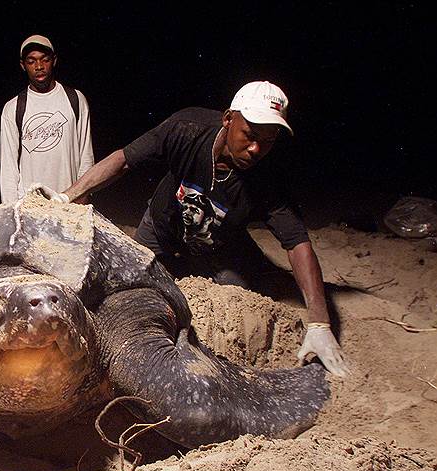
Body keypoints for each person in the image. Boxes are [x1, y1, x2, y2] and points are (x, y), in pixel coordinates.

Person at [54, 80, 350, 377]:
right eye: (249, 134)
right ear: (228, 119)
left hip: (217, 247)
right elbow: (123, 160)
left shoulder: (269, 178)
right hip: (162, 228)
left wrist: (320, 323)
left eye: (268, 140)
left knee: (235, 307)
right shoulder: (187, 128)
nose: (256, 148)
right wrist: (68, 194)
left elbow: (297, 243)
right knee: (122, 287)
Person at [0, 34, 94, 204]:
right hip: (30, 207)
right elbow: (9, 167)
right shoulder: (13, 108)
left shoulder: (75, 99)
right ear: (23, 65)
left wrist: (82, 196)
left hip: (69, 201)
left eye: (44, 59)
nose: (39, 66)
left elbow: (85, 155)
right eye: (31, 61)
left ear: (54, 60)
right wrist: (11, 209)